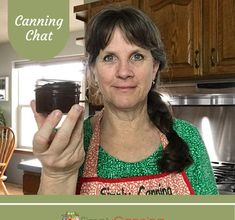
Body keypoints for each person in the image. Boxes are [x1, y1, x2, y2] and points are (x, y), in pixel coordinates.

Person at [31, 6, 218, 195]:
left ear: (154, 67)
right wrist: (58, 175)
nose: (124, 72)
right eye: (109, 57)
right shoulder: (68, 144)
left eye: (137, 56)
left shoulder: (187, 137)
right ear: (93, 70)